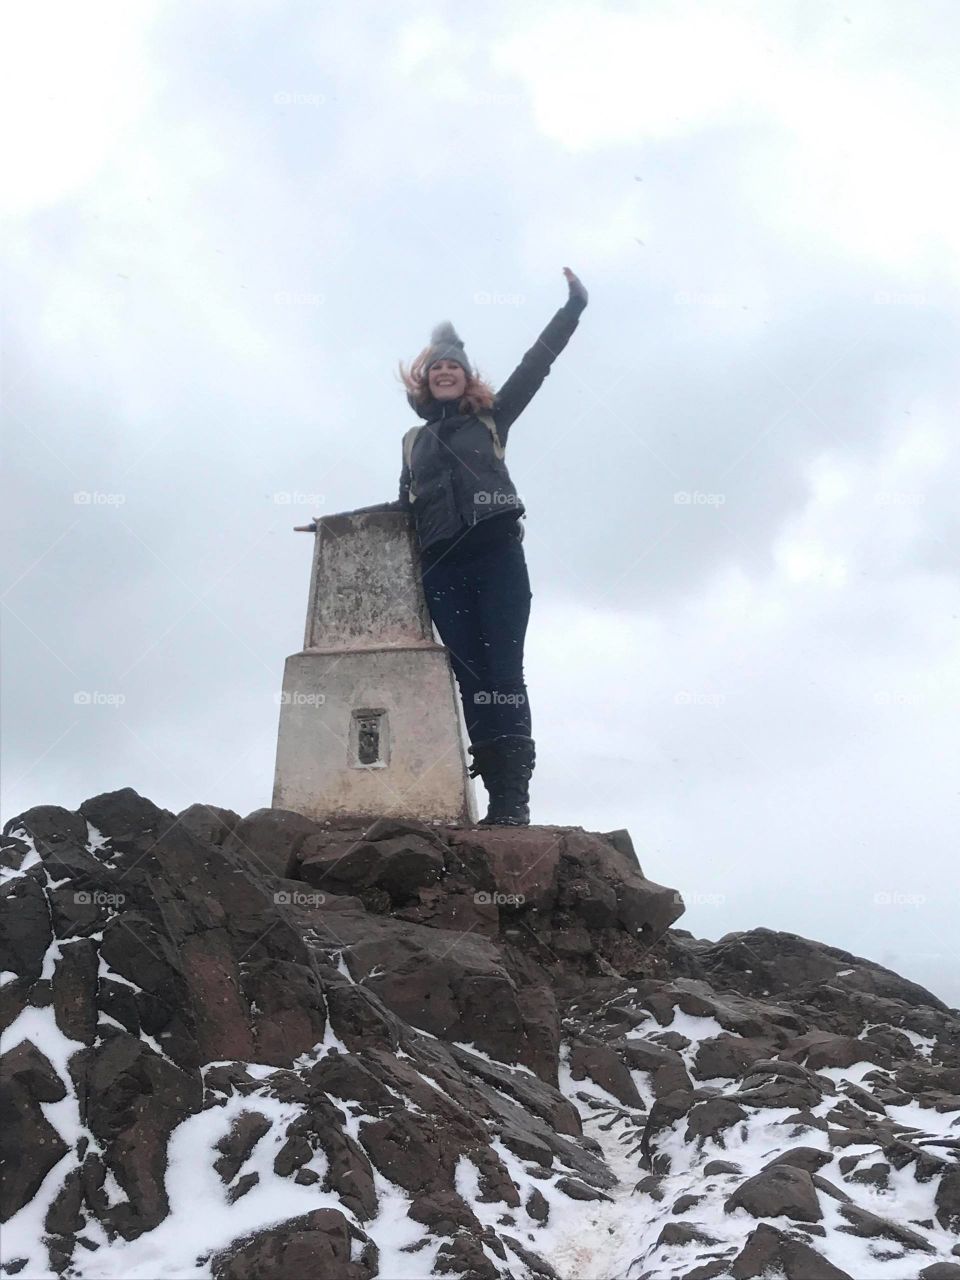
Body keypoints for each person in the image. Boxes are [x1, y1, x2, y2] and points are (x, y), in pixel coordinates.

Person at [391, 267, 589, 825]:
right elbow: (403, 509)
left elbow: (536, 364)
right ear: (423, 382)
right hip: (442, 568)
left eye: (453, 365)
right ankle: (495, 789)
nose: (445, 372)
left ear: (466, 376)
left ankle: (512, 801)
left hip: (498, 554)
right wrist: (335, 528)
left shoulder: (492, 416)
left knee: (504, 672)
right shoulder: (413, 442)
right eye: (436, 368)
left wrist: (572, 309)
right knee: (471, 679)